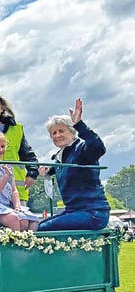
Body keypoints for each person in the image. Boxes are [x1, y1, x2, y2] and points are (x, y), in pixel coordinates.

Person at [37, 99, 110, 231]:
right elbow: (62, 166)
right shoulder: (60, 158)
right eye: (54, 133)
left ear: (72, 132)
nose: (57, 135)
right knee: (37, 225)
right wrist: (48, 170)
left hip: (93, 212)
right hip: (73, 211)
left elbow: (98, 147)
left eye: (61, 131)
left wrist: (79, 124)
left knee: (43, 228)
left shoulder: (82, 150)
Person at [0, 131, 39, 230]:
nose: (0, 150)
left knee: (34, 222)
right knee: (22, 222)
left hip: (9, 204)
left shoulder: (7, 166)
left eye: (2, 146)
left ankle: (29, 244)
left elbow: (14, 190)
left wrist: (17, 206)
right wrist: (5, 177)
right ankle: (14, 243)